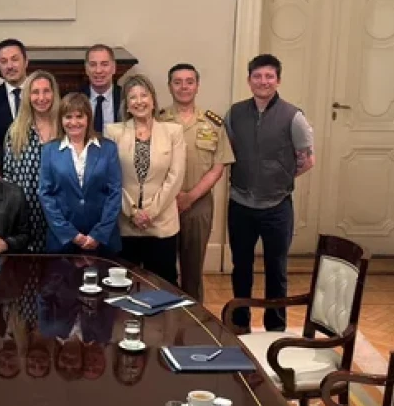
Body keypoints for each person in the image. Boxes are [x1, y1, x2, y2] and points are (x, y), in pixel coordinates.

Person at [225, 54, 314, 333]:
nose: (263, 82)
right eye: (257, 76)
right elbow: (228, 152)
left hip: (277, 206)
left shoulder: (293, 116)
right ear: (249, 80)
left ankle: (275, 329)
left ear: (278, 80)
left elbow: (307, 160)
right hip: (240, 204)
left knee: (277, 271)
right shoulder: (234, 114)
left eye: (269, 76)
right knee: (241, 268)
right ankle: (240, 326)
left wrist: (279, 178)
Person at [158, 63, 234, 301]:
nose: (184, 87)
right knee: (162, 270)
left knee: (193, 273)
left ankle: (193, 326)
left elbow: (218, 166)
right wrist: (173, 196)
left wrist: (190, 197)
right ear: (169, 87)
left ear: (197, 86)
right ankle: (163, 325)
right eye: (177, 82)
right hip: (163, 204)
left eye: (189, 81)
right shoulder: (158, 121)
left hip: (199, 204)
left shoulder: (213, 123)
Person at [104, 75, 185, 285]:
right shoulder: (113, 132)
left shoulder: (173, 132)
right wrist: (132, 212)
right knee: (125, 287)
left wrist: (150, 212)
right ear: (127, 105)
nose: (139, 101)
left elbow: (175, 177)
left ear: (153, 100)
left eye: (144, 95)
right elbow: (111, 178)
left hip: (162, 224)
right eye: (133, 97)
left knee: (162, 287)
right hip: (125, 223)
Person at [38, 93, 122, 255]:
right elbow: (46, 195)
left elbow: (115, 193)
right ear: (61, 120)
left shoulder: (108, 148)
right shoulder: (50, 150)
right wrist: (71, 234)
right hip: (63, 241)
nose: (74, 122)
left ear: (88, 119)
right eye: (68, 117)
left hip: (102, 241)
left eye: (79, 116)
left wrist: (98, 234)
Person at [2, 70, 63, 253]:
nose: (41, 97)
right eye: (35, 92)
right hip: (26, 213)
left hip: (60, 214)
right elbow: (9, 177)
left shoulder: (65, 128)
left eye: (46, 91)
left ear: (54, 94)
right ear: (27, 96)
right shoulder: (16, 131)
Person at [81, 44, 123, 132]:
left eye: (104, 64)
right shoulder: (77, 98)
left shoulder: (124, 97)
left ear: (114, 68)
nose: (98, 70)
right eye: (93, 65)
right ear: (86, 69)